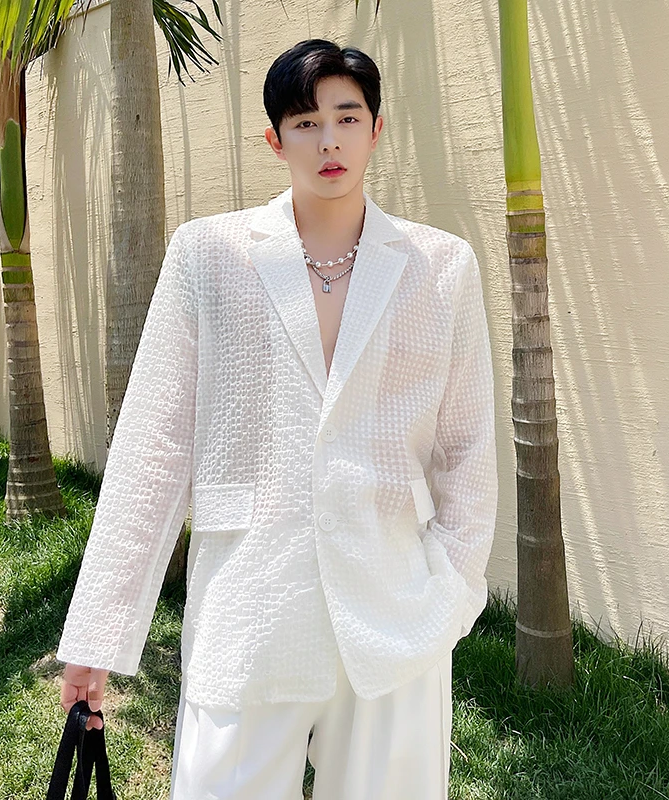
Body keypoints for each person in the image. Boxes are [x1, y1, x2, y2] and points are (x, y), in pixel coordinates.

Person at [56, 38, 498, 800]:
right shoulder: (208, 254)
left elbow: (468, 448)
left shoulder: (442, 266)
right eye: (305, 122)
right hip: (250, 611)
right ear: (274, 138)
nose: (329, 141)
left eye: (347, 117)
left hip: (395, 622)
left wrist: (452, 593)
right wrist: (98, 634)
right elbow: (154, 446)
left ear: (376, 129)